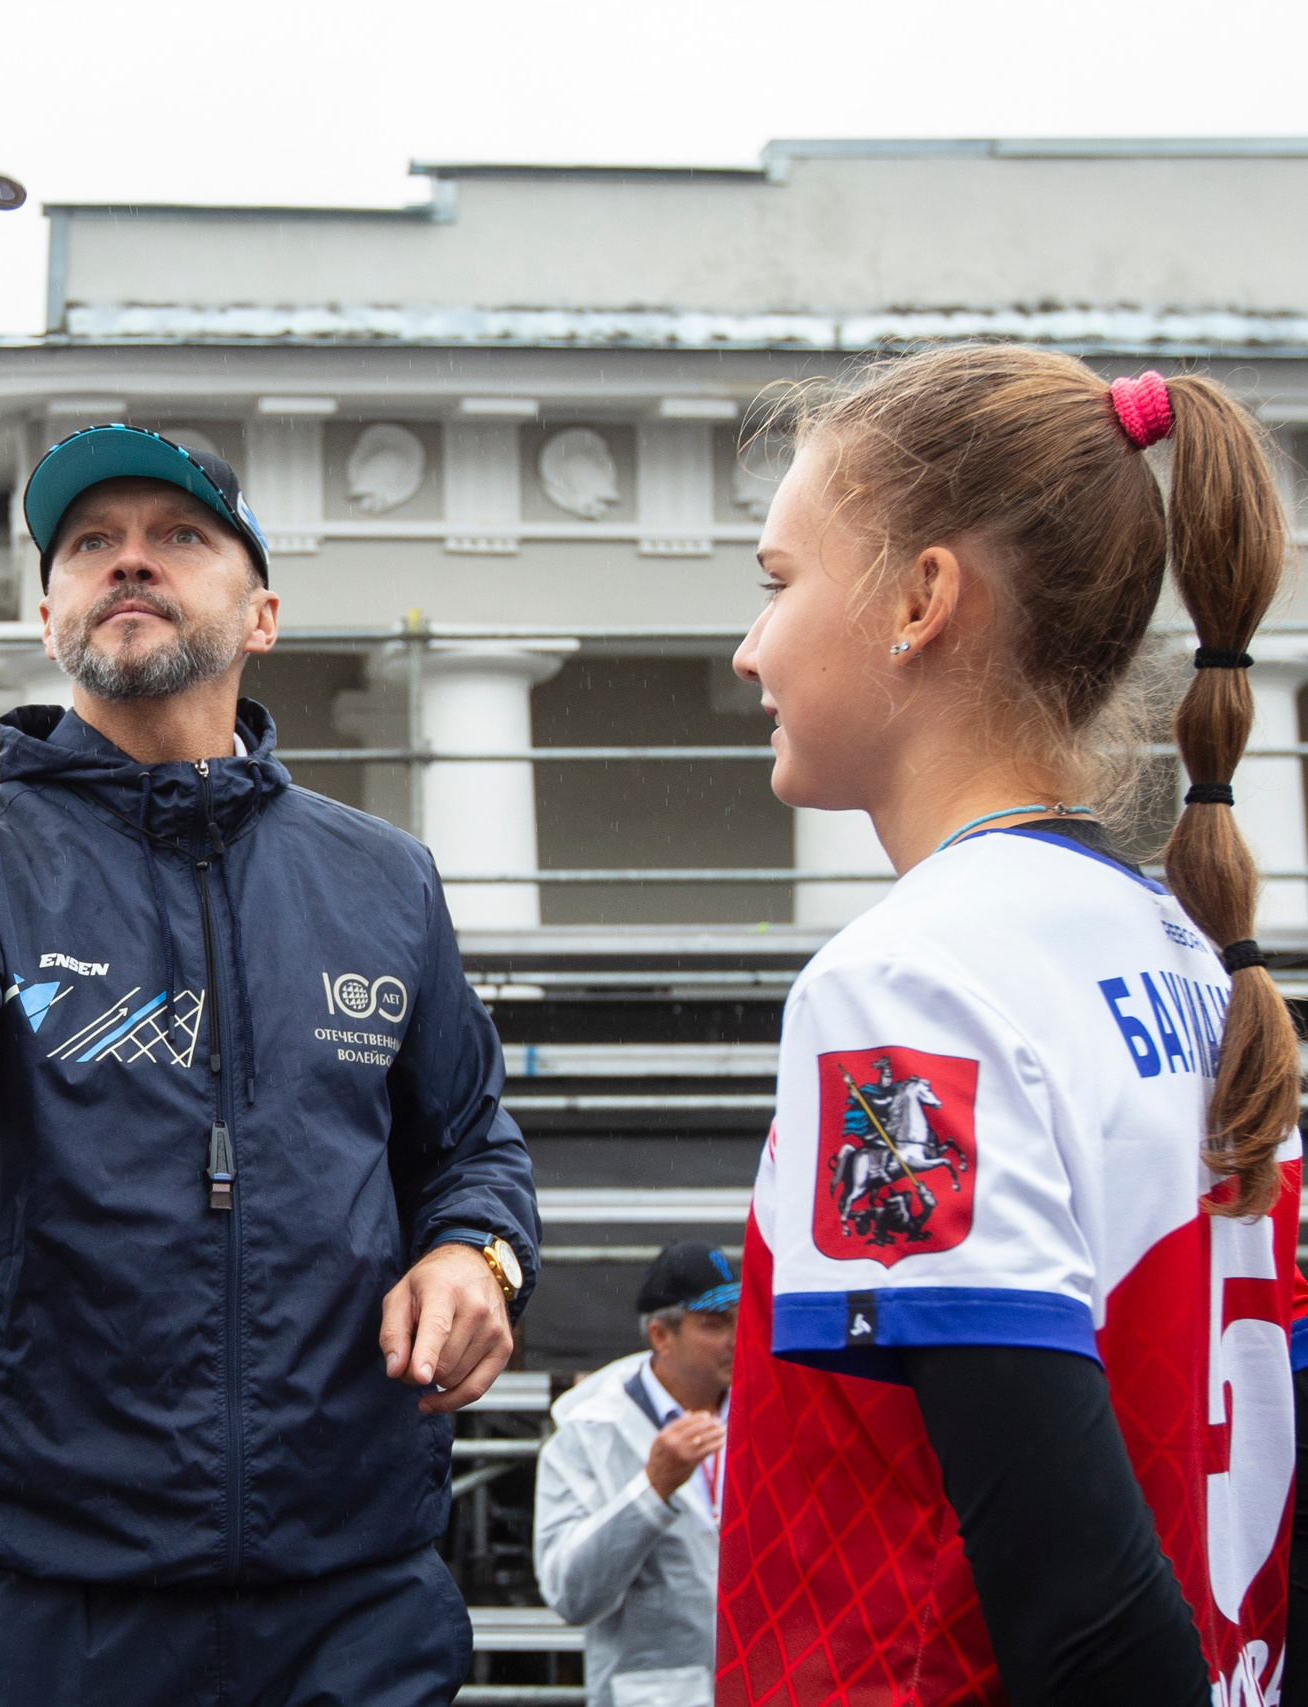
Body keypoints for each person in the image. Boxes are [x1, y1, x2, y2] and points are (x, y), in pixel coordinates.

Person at [0, 424, 541, 1705]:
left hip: (352, 1571)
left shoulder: (382, 877)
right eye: (91, 544)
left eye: (176, 537)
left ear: (261, 612)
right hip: (63, 1578)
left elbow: (468, 1144)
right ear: (48, 616)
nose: (127, 563)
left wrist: (475, 1253)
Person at [718, 350, 1301, 1706]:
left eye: (778, 580)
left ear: (921, 597)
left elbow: (1073, 1593)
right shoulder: (1200, 968)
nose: (751, 646)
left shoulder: (913, 979)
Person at [534, 1242, 736, 1707]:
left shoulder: (769, 1413)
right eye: (714, 1324)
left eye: (740, 1318)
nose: (736, 1337)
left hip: (767, 1686)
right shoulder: (586, 1430)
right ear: (662, 1337)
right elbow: (571, 1595)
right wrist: (652, 1489)